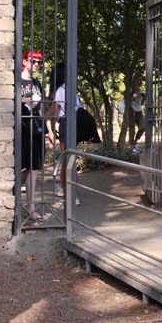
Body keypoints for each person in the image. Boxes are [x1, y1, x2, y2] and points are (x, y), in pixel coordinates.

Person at [49, 64, 100, 196]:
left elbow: (54, 113)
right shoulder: (71, 89)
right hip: (79, 122)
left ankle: (65, 188)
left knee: (66, 157)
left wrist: (51, 129)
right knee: (71, 157)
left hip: (66, 123)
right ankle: (70, 186)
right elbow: (80, 106)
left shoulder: (59, 90)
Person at [19, 50, 47, 214]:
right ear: (24, 62)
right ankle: (14, 194)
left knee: (34, 167)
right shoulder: (17, 80)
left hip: (36, 127)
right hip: (22, 127)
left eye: (39, 62)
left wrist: (48, 130)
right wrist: (25, 100)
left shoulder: (36, 82)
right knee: (22, 166)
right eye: (33, 61)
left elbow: (42, 108)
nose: (36, 65)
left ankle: (30, 205)